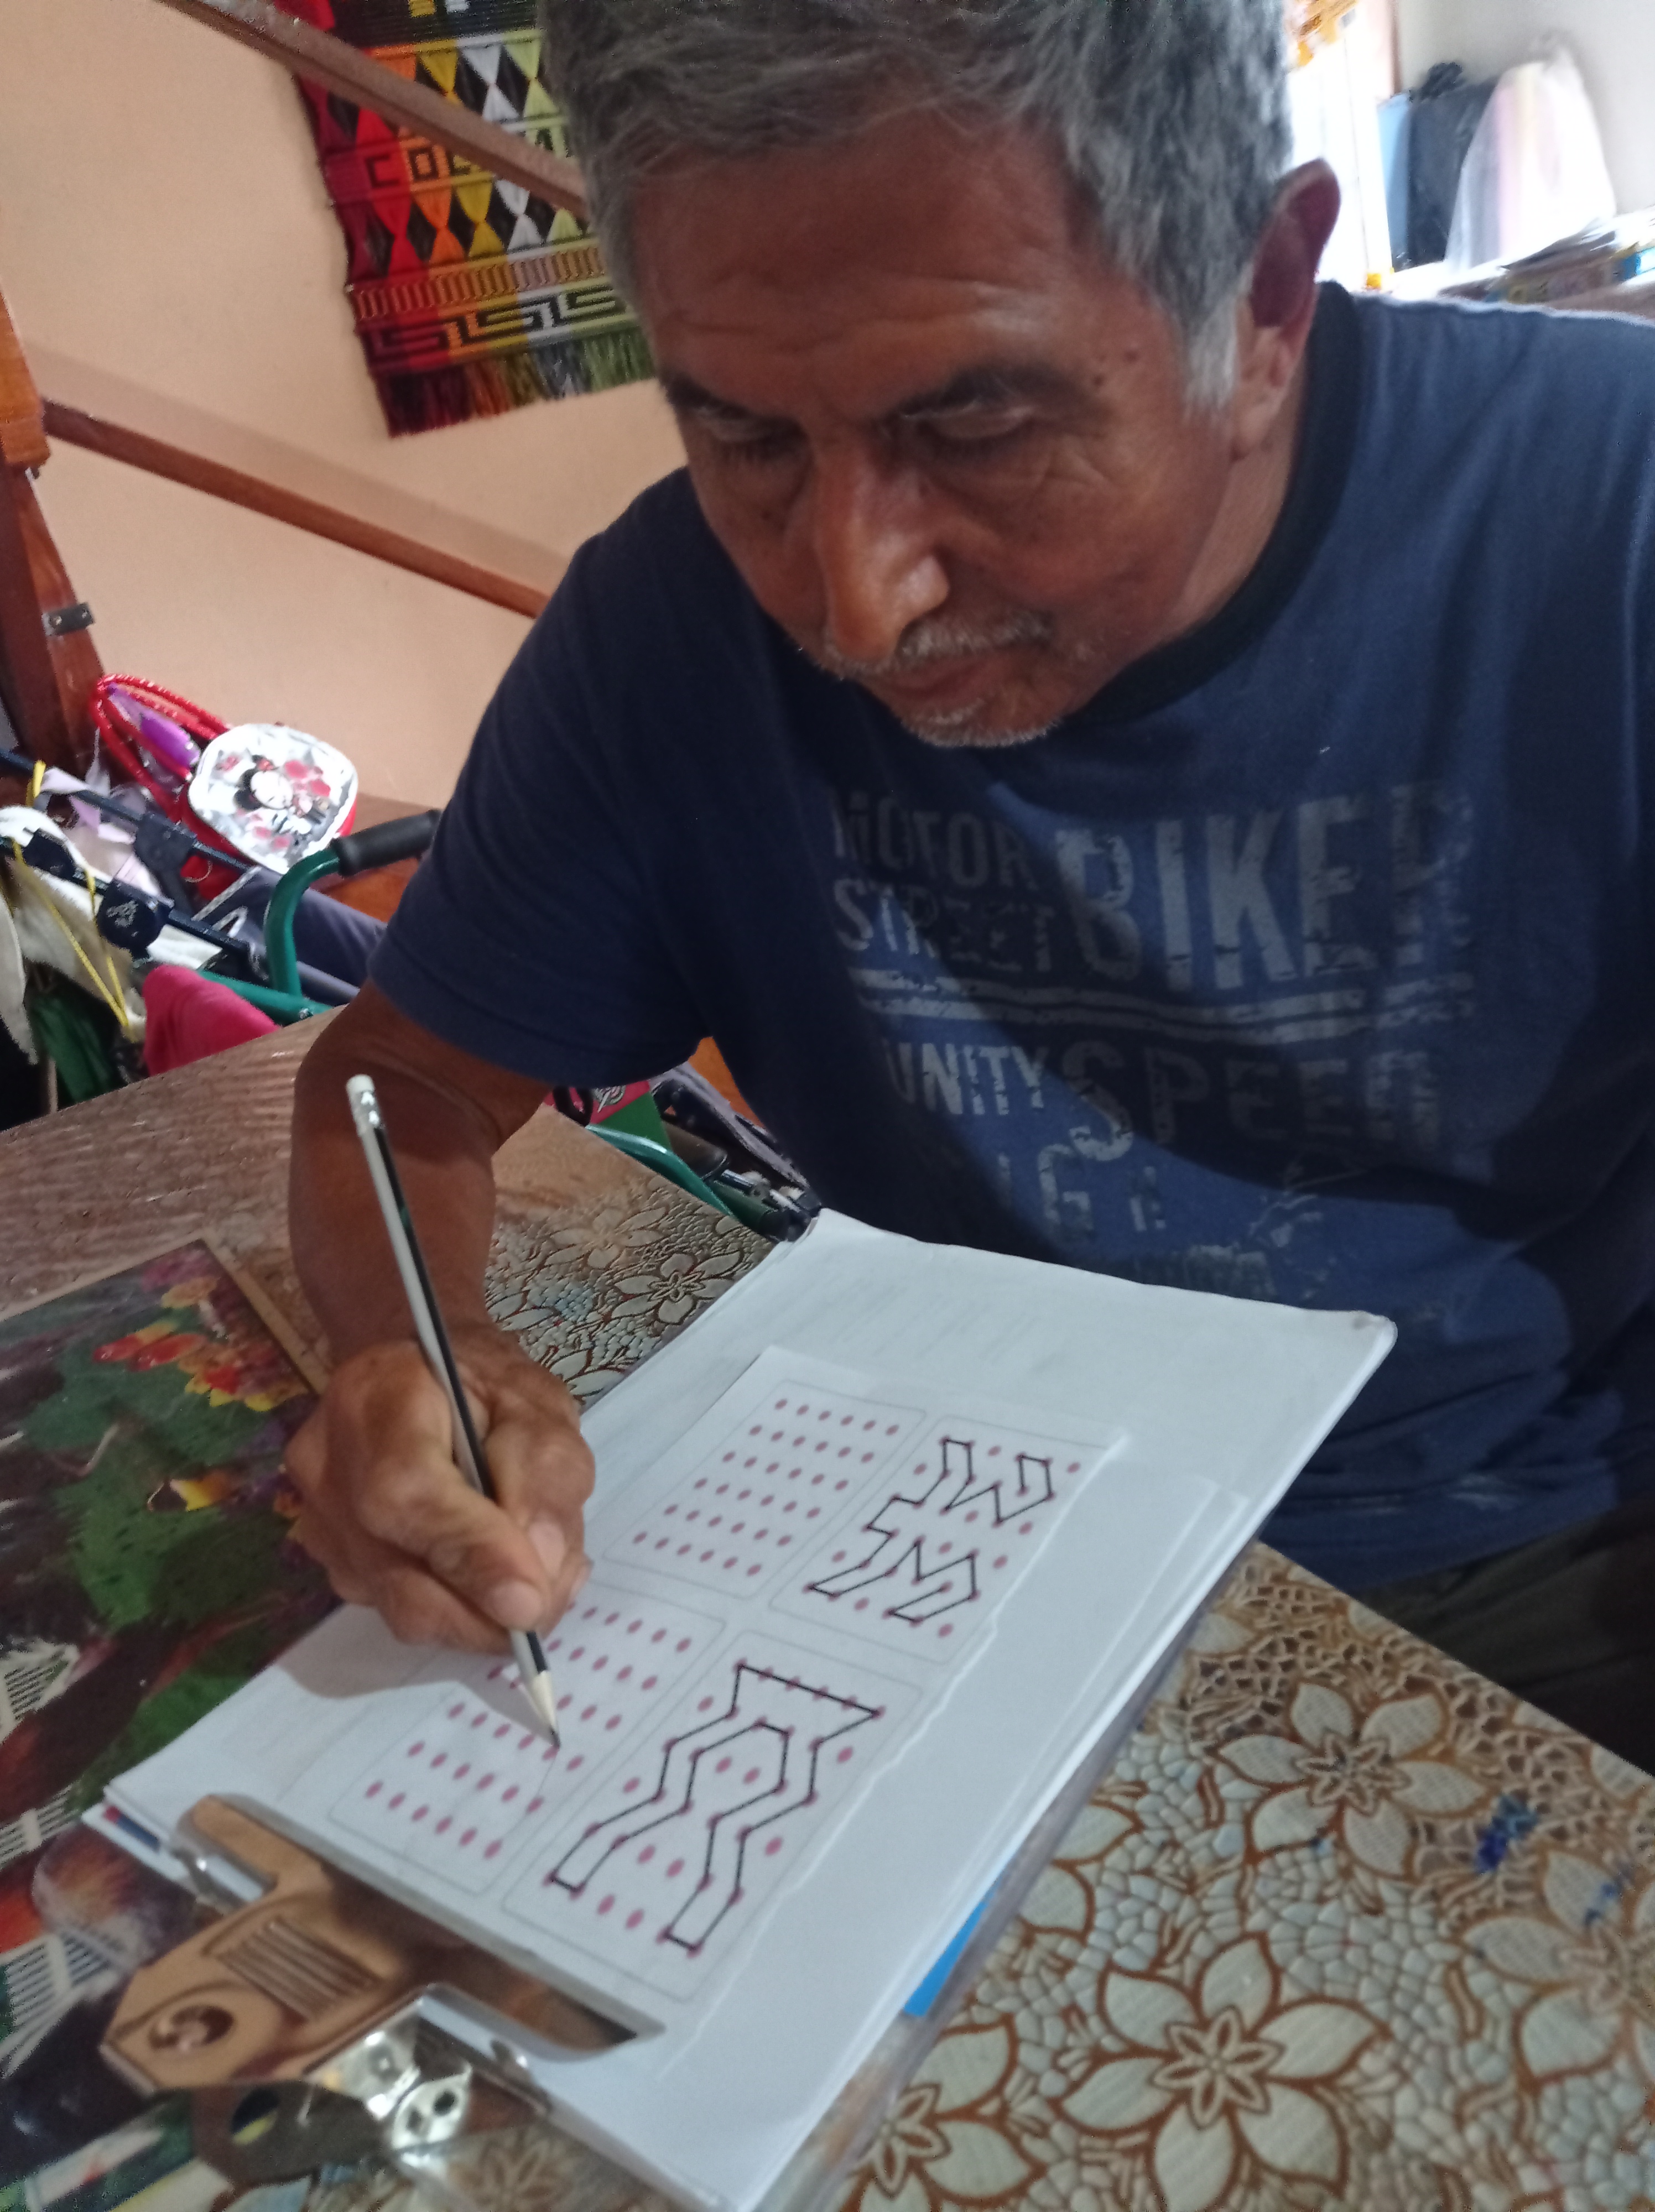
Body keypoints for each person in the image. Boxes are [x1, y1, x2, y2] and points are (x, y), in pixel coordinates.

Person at [287, 0, 1655, 1767]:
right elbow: (395, 1086)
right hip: (943, 1536)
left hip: (1530, 1541)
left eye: (981, 426)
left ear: (1262, 300)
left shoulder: (1609, 516)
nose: (857, 607)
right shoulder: (666, 632)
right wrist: (412, 1348)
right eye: (747, 442)